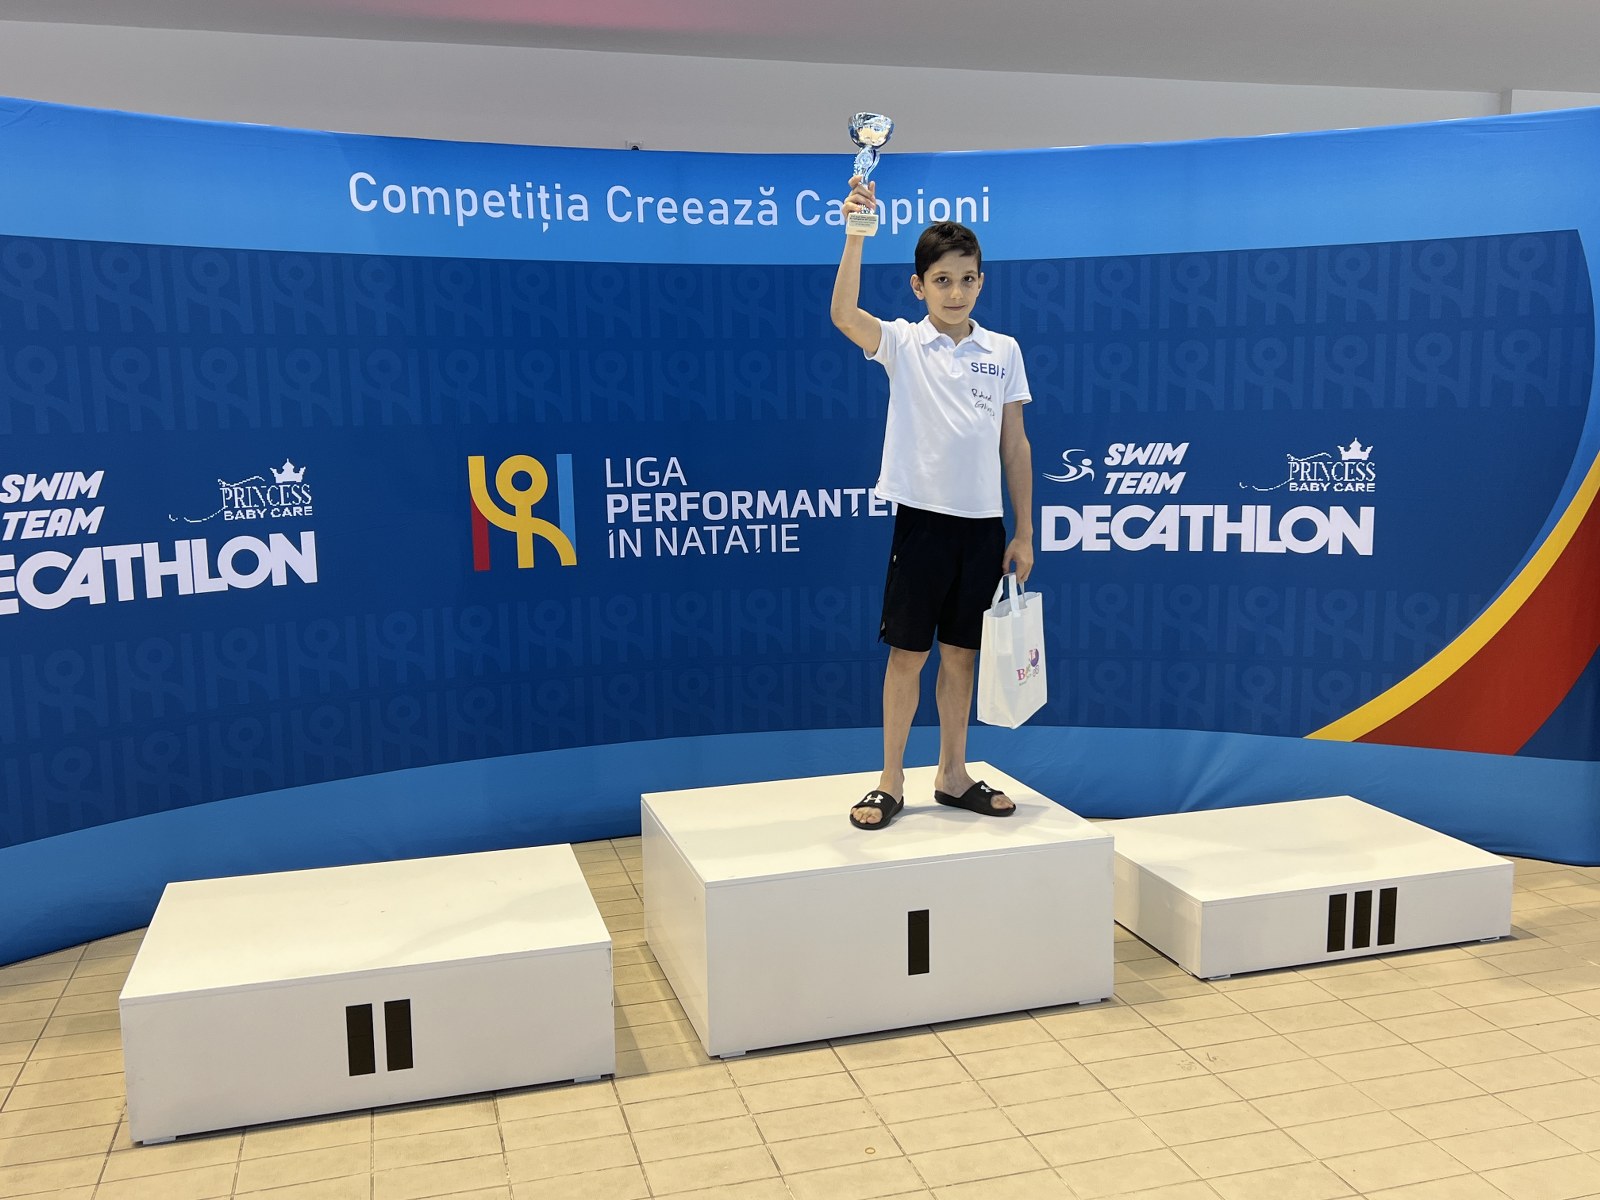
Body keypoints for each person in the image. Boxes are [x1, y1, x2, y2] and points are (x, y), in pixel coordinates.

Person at [830, 174, 1034, 830]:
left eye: (967, 279)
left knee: (961, 655)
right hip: (922, 525)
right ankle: (890, 781)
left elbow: (1015, 445)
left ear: (982, 282)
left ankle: (952, 774)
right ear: (919, 286)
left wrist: (1023, 532)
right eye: (942, 280)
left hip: (984, 529)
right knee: (908, 655)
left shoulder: (1003, 351)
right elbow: (843, 315)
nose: (955, 292)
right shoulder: (902, 343)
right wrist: (856, 233)